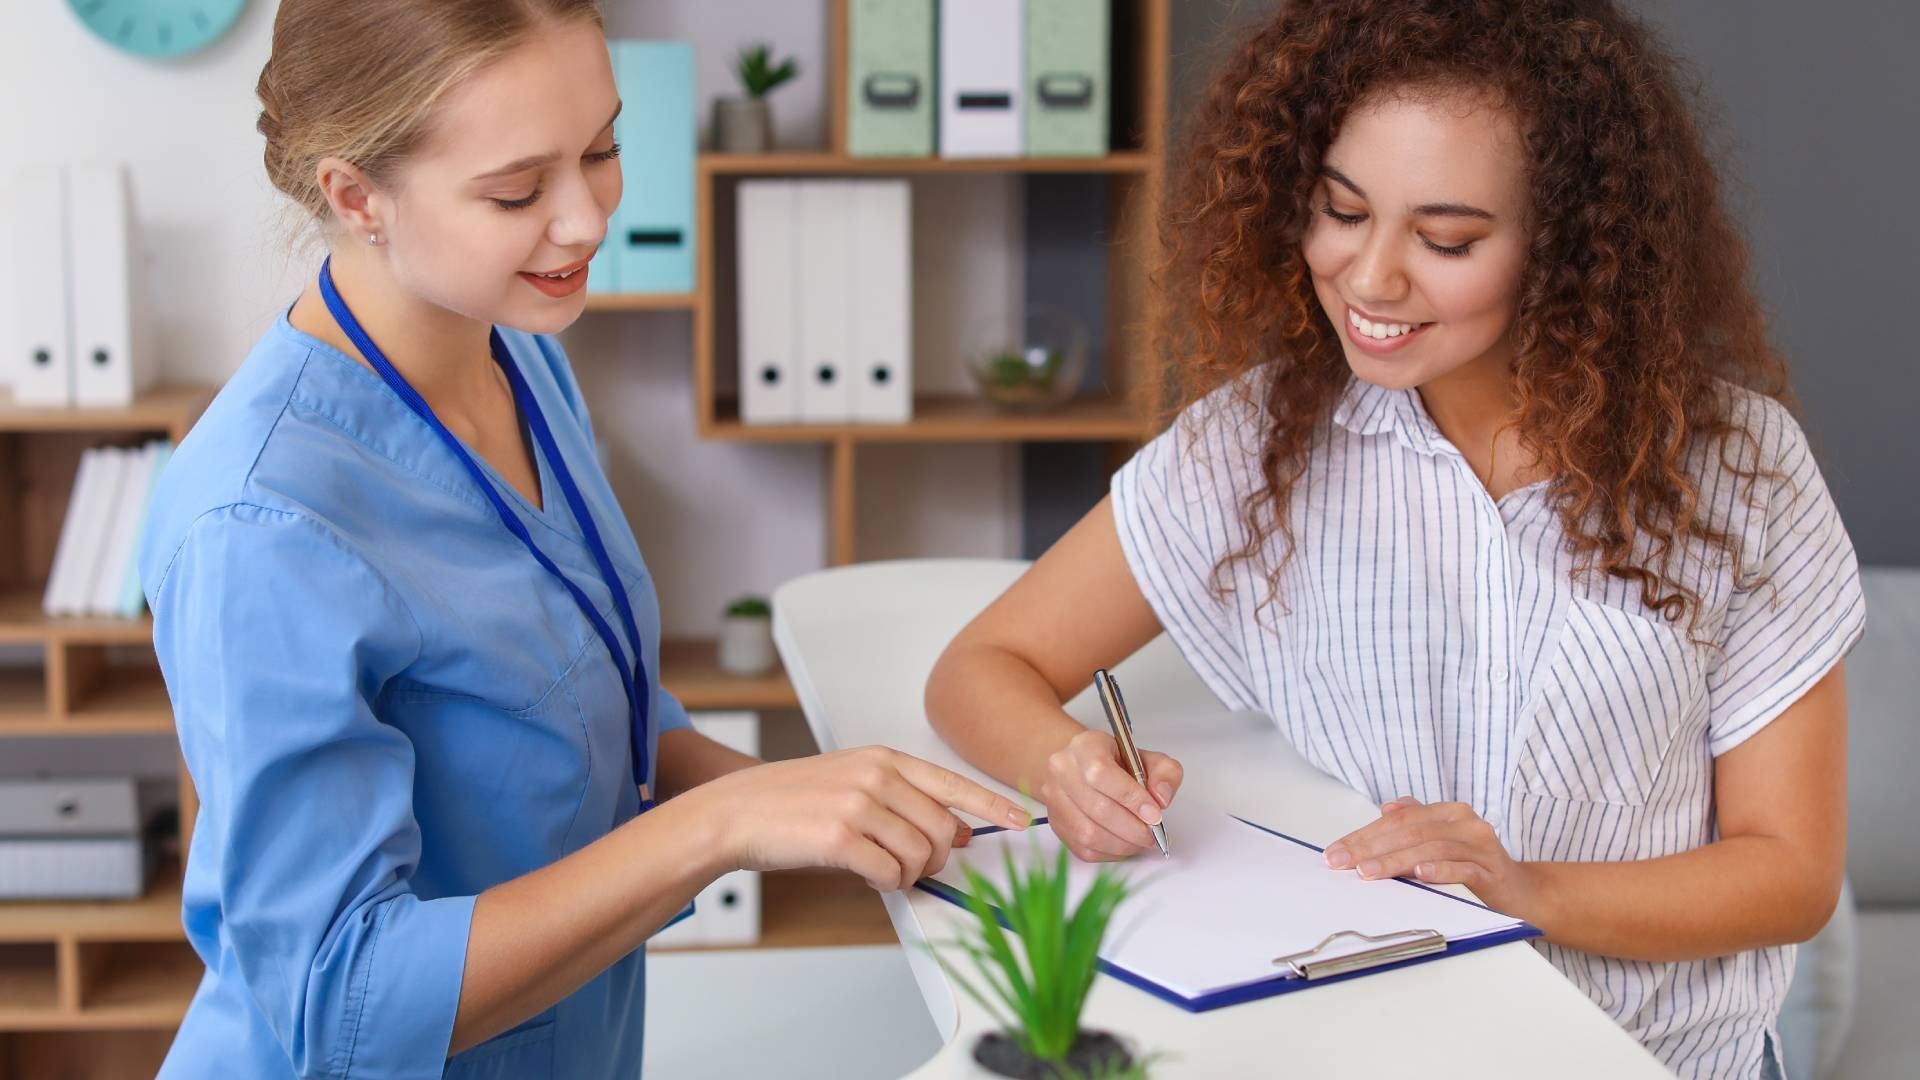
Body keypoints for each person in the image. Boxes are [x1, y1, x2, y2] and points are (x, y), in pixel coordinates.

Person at [925, 2, 1861, 1077]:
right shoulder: (1259, 445)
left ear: (1566, 246)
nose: (1371, 279)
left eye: (1446, 239)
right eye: (1341, 211)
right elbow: (978, 668)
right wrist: (1068, 766)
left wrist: (1525, 889)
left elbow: (1789, 874)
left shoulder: (1738, 466)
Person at [138, 3, 1028, 1076]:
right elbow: (344, 1004)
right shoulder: (262, 524)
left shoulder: (517, 359)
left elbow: (591, 709)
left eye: (602, 149)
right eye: (518, 189)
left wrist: (829, 808)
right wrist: (725, 825)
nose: (586, 218)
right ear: (355, 195)